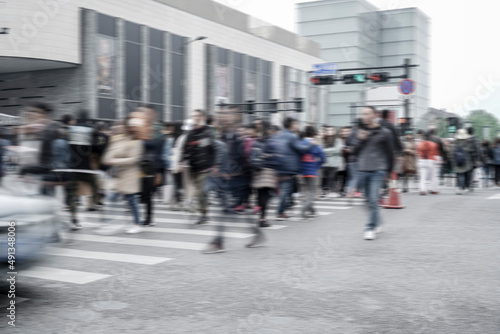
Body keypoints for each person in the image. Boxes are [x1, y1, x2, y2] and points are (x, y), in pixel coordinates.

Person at [352, 107, 394, 240]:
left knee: (374, 199)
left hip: (378, 170)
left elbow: (390, 153)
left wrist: (389, 171)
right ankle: (378, 220)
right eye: (363, 114)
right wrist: (360, 140)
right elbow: (354, 152)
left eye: (367, 113)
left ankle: (370, 228)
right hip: (363, 170)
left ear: (374, 115)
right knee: (368, 201)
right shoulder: (359, 132)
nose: (364, 116)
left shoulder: (384, 132)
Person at [102, 116, 143, 233]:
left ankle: (137, 223)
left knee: (131, 199)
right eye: (116, 125)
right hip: (118, 175)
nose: (117, 127)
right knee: (112, 197)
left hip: (130, 175)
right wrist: (110, 157)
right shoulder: (118, 140)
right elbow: (108, 155)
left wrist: (115, 160)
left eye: (121, 125)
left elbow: (134, 159)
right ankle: (112, 222)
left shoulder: (136, 140)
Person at [273, 117, 316, 221]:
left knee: (285, 191)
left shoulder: (278, 135)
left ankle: (282, 210)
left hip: (279, 167)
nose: (297, 126)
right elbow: (302, 149)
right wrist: (311, 144)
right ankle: (280, 212)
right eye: (296, 124)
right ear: (291, 125)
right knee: (285, 191)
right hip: (288, 168)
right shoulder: (292, 136)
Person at [182, 109, 217, 225]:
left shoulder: (207, 132)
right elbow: (185, 149)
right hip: (193, 167)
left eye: (197, 116)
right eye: (193, 116)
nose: (195, 118)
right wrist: (182, 161)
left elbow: (213, 148)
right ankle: (202, 211)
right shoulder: (190, 133)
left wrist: (214, 164)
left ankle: (203, 214)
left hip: (204, 168)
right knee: (198, 192)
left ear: (201, 117)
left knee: (199, 191)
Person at [251, 120, 279, 229]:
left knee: (260, 194)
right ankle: (262, 219)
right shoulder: (272, 141)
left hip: (257, 170)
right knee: (265, 195)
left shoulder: (256, 141)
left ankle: (259, 213)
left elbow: (252, 155)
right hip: (268, 170)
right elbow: (275, 157)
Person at [300, 125, 325, 219]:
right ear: (314, 134)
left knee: (306, 190)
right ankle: (304, 208)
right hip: (312, 170)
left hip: (302, 170)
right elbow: (323, 157)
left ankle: (312, 209)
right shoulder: (316, 144)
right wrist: (318, 165)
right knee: (311, 191)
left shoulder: (301, 142)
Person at [449, 129, 474, 195]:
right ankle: (463, 187)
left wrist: (452, 159)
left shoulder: (455, 142)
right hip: (465, 161)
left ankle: (459, 188)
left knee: (459, 174)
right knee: (464, 174)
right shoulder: (467, 142)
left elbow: (452, 151)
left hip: (457, 160)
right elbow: (470, 151)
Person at [322, 126, 342, 198]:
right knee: (326, 178)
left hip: (334, 163)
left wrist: (326, 151)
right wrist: (331, 151)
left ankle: (334, 191)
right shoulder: (324, 140)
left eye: (331, 130)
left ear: (334, 131)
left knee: (333, 177)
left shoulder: (338, 140)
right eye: (328, 130)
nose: (330, 131)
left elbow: (337, 150)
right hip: (326, 163)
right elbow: (321, 149)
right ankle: (328, 191)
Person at [417, 130, 439, 195]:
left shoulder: (420, 144)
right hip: (430, 161)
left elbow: (418, 153)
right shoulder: (434, 144)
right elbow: (435, 154)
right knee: (433, 176)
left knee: (423, 177)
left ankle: (423, 190)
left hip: (422, 161)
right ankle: (433, 189)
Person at [466, 127, 482, 191]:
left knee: (466, 171)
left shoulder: (464, 139)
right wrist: (478, 159)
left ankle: (466, 184)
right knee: (471, 172)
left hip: (466, 158)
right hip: (473, 158)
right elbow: (478, 150)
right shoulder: (475, 139)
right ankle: (470, 185)